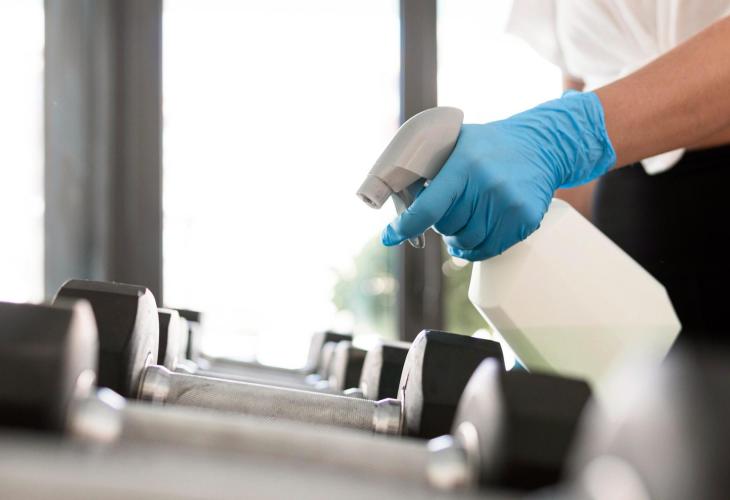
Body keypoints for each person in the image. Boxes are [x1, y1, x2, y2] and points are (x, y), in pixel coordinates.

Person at [381, 4, 730, 342]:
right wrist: (536, 255)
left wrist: (573, 132)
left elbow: (578, 129)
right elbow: (580, 88)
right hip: (626, 231)